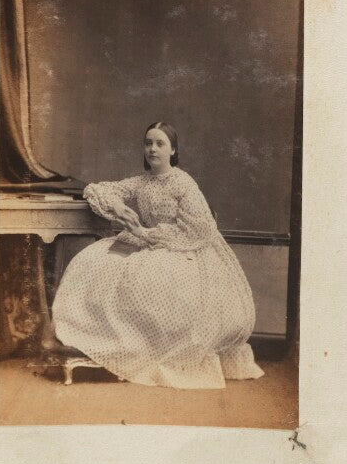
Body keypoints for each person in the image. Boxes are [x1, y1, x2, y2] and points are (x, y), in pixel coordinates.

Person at [52, 122, 264, 389]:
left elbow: (197, 230)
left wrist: (146, 233)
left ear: (173, 150)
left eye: (160, 144)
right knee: (93, 261)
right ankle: (102, 341)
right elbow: (97, 189)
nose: (153, 149)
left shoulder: (183, 183)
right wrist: (118, 206)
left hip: (182, 248)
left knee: (150, 278)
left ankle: (139, 348)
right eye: (148, 143)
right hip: (143, 242)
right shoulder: (141, 182)